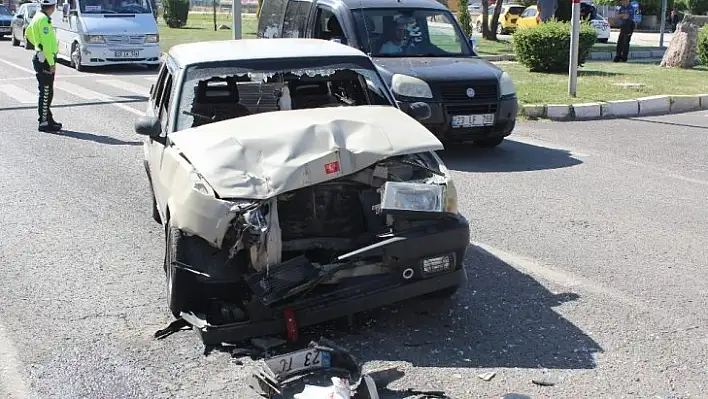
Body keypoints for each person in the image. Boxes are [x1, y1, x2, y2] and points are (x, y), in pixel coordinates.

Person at [25, 0, 62, 132]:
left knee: (46, 91)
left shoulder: (37, 16)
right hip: (45, 59)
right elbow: (46, 43)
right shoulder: (44, 20)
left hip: (41, 57)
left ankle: (48, 118)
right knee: (46, 92)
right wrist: (51, 63)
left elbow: (27, 33)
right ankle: (44, 122)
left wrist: (37, 45)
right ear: (52, 7)